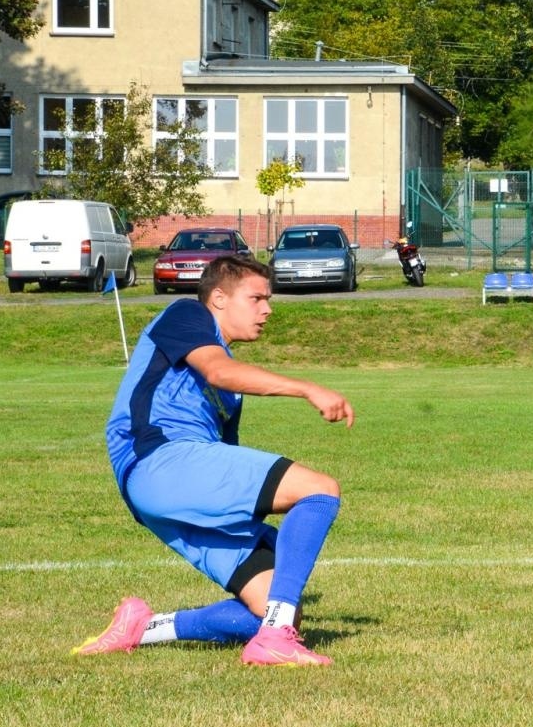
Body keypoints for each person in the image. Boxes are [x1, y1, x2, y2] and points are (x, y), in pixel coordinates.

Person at [75, 254, 354, 666]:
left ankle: (146, 627)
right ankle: (275, 640)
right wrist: (307, 388)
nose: (267, 309)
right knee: (319, 490)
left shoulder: (230, 394)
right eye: (257, 298)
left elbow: (224, 452)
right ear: (219, 298)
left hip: (164, 492)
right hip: (159, 460)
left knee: (279, 605)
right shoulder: (187, 314)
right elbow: (218, 371)